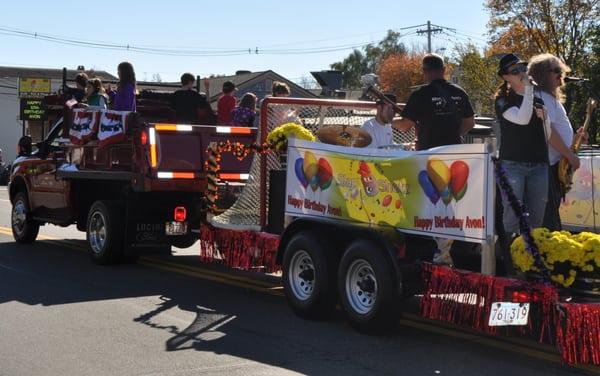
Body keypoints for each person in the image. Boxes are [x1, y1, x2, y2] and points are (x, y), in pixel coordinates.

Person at [494, 53, 554, 235]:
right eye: (515, 70)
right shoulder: (503, 100)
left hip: (539, 164)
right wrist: (528, 90)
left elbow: (547, 134)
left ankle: (531, 258)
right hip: (513, 165)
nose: (520, 72)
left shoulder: (537, 100)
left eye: (522, 68)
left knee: (536, 218)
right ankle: (510, 259)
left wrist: (546, 118)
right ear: (505, 77)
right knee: (512, 215)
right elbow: (522, 118)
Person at [528, 53, 581, 230]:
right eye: (556, 71)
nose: (561, 74)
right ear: (542, 74)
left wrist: (576, 138)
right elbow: (548, 133)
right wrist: (569, 155)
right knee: (548, 220)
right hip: (547, 167)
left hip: (555, 165)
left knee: (550, 215)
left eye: (561, 70)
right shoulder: (541, 97)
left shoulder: (548, 97)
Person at [393, 53, 475, 150]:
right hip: (453, 151)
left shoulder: (420, 94)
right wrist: (454, 134)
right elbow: (470, 122)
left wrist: (389, 120)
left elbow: (404, 125)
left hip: (428, 152)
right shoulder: (460, 92)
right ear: (444, 69)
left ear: (424, 71)